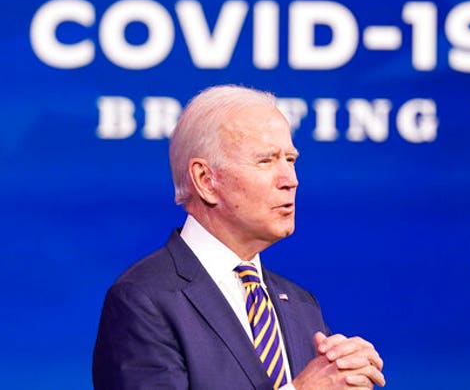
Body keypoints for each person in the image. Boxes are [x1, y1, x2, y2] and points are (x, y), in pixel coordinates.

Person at [92, 85, 386, 390]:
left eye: (291, 160)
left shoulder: (301, 305)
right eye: (266, 161)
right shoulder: (144, 299)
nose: (291, 180)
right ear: (205, 181)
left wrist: (346, 375)